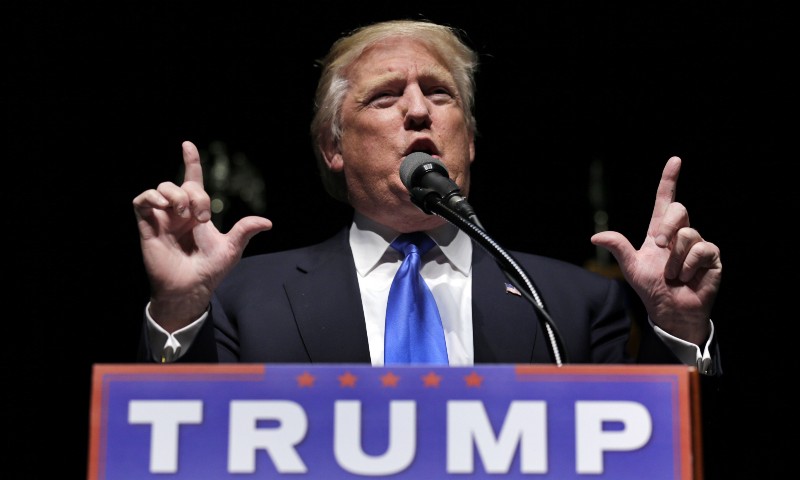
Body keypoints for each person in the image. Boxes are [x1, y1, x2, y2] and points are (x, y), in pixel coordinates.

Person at [132, 19, 722, 375]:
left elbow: (656, 452)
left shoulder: (574, 304)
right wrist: (180, 311)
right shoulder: (241, 298)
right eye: (385, 97)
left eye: (440, 94)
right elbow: (177, 448)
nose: (418, 110)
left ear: (470, 139)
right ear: (333, 147)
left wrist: (678, 329)